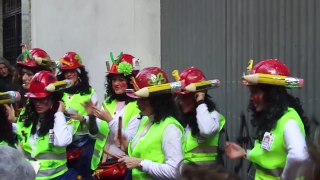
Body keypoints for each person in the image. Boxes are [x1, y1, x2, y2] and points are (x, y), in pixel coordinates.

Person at [225, 59, 309, 180]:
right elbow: (269, 156)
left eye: (255, 92)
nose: (251, 98)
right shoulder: (273, 119)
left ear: (272, 94)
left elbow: (299, 156)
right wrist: (245, 153)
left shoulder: (288, 121)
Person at [118, 67, 184, 180]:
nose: (138, 104)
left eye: (143, 99)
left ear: (157, 100)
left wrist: (141, 164)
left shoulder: (170, 128)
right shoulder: (146, 120)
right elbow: (144, 154)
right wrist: (126, 147)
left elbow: (176, 172)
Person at [17, 71, 77, 180]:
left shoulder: (64, 120)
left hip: (58, 176)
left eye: (42, 99)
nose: (38, 103)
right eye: (35, 100)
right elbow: (19, 145)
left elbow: (62, 142)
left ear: (53, 99)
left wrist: (59, 112)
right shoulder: (27, 118)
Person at [90, 52, 141, 178]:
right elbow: (95, 134)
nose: (116, 83)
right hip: (100, 164)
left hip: (121, 167)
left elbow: (128, 141)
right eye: (113, 80)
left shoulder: (138, 106)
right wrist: (90, 118)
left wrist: (109, 119)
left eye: (121, 80)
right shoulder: (108, 102)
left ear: (130, 82)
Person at [57, 51, 100, 179]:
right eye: (66, 72)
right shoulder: (58, 91)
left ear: (79, 72)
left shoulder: (89, 92)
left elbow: (95, 123)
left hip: (84, 143)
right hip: (63, 143)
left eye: (72, 71)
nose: (68, 74)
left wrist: (84, 118)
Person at [174, 67, 226, 164]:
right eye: (180, 97)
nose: (181, 102)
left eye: (186, 97)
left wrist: (200, 101)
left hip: (206, 173)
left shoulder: (213, 116)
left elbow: (206, 130)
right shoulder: (185, 119)